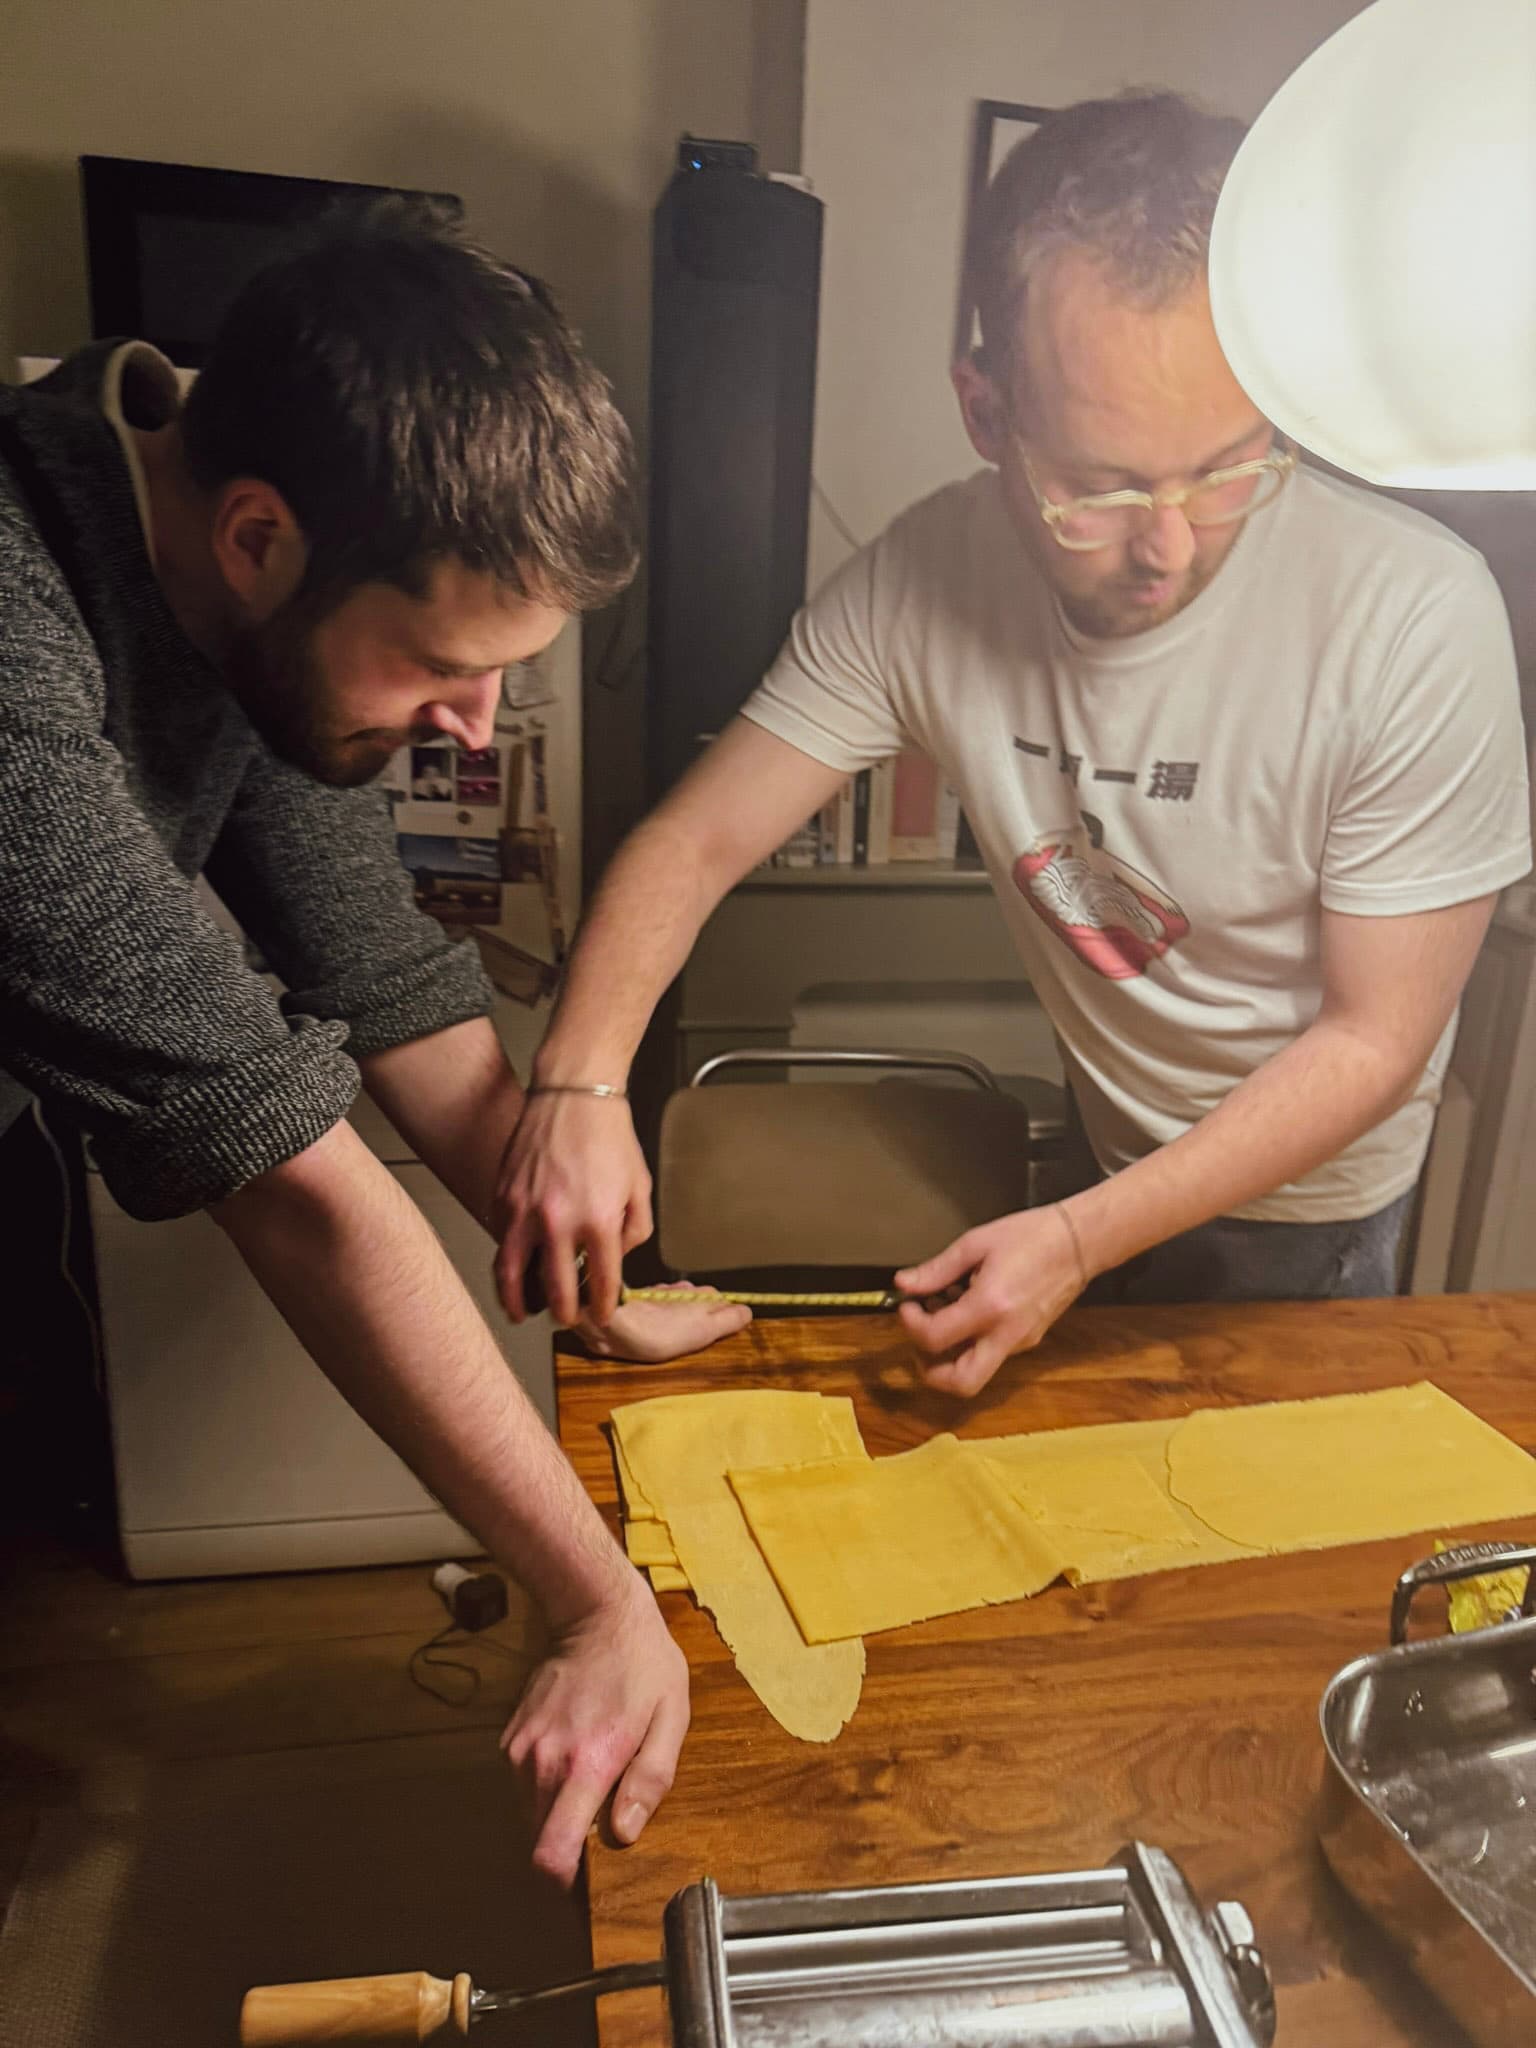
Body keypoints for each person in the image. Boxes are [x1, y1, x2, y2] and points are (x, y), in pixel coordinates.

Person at [496, 91, 1531, 1398]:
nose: (1168, 544)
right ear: (986, 412)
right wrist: (577, 1086)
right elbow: (694, 838)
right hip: (1108, 1145)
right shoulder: (925, 580)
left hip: (1314, 1201)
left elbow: (1375, 1043)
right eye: (1099, 485)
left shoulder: (1415, 614)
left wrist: (1082, 1240)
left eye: (1224, 470)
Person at [0, 202, 749, 1884]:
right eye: (446, 668)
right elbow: (298, 1180)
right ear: (260, 535)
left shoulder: (234, 593)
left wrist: (593, 1277)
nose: (473, 730)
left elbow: (394, 996)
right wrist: (596, 1600)